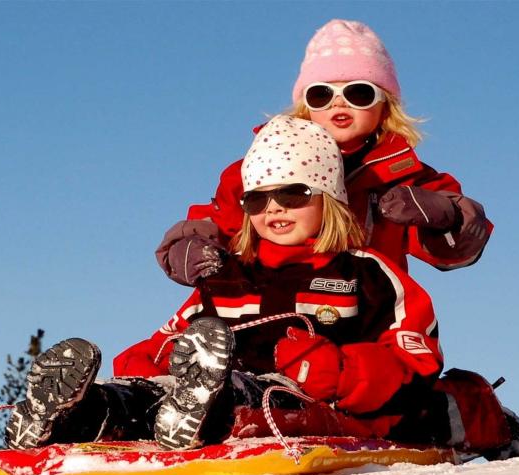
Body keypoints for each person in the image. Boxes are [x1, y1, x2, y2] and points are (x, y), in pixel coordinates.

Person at [6, 117, 519, 460]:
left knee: (256, 400)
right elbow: (168, 338)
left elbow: (413, 361)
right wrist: (150, 364)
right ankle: (84, 412)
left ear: (329, 200)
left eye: (293, 193)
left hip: (306, 397)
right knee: (145, 393)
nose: (274, 209)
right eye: (258, 199)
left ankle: (200, 409)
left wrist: (339, 372)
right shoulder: (229, 274)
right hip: (209, 382)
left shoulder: (366, 274)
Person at [157, 19, 493, 289]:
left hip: (367, 310)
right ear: (305, 106)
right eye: (321, 94)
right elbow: (221, 219)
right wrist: (189, 248)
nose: (339, 102)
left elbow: (456, 253)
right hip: (275, 300)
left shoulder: (404, 177)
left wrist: (446, 216)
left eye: (359, 92)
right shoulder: (266, 166)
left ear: (385, 105)